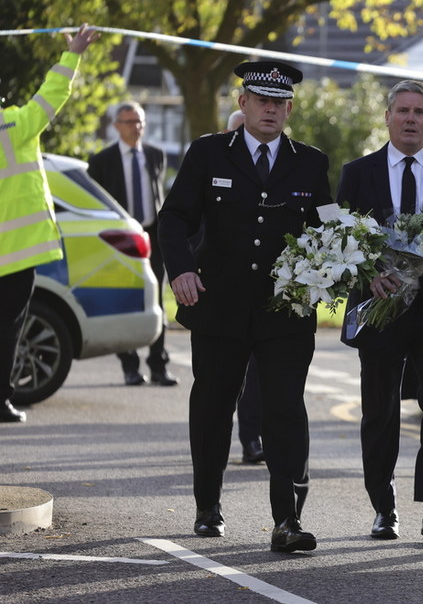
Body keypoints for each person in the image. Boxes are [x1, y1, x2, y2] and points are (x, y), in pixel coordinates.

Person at [158, 60, 332, 552]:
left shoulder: (311, 162)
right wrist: (181, 270)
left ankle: (288, 520)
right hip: (219, 306)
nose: (271, 109)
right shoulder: (209, 153)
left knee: (285, 412)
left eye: (280, 103)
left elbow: (330, 227)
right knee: (213, 407)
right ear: (244, 103)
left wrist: (343, 264)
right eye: (262, 100)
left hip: (284, 311)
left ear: (290, 109)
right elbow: (172, 219)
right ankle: (207, 506)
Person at [338, 80, 423, 542]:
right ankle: (383, 507)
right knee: (380, 412)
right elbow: (342, 241)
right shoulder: (358, 172)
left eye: (419, 112)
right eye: (403, 111)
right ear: (388, 117)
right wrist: (370, 271)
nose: (411, 119)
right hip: (380, 306)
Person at [0, 24, 100, 423]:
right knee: (7, 330)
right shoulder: (15, 126)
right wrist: (73, 52)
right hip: (16, 256)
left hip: (15, 253)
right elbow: (52, 94)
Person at [88, 101, 176, 386]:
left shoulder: (155, 155)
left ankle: (159, 366)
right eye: (129, 122)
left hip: (153, 239)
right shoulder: (101, 161)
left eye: (139, 121)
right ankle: (130, 366)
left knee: (157, 303)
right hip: (122, 243)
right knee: (126, 302)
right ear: (116, 126)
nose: (135, 127)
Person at [223, 109, 264, 464]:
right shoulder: (211, 163)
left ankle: (252, 437)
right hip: (223, 294)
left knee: (258, 375)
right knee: (225, 379)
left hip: (268, 296)